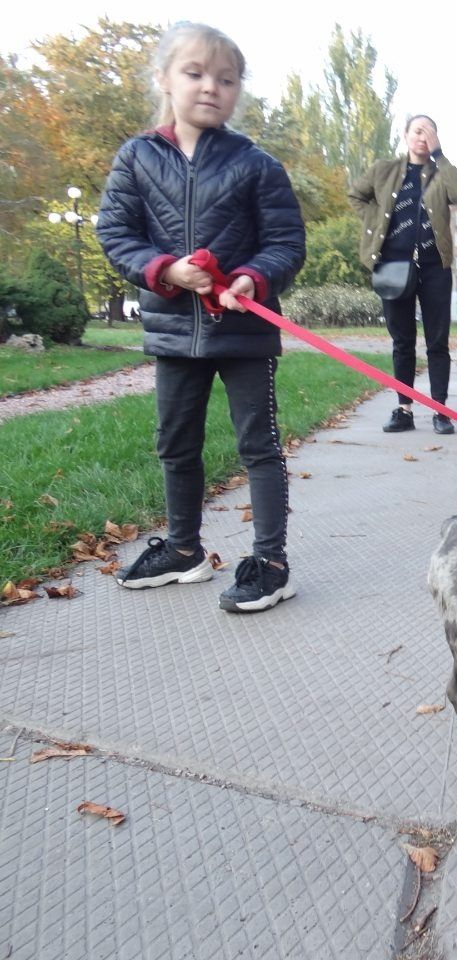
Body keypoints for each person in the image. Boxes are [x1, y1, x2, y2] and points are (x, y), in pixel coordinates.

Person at [96, 22, 306, 613]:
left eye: (227, 78)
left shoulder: (257, 164)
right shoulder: (137, 157)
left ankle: (271, 562)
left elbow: (286, 242)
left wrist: (251, 278)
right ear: (164, 79)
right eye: (194, 73)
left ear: (238, 90)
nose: (210, 87)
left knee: (258, 445)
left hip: (244, 332)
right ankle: (184, 550)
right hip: (171, 331)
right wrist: (163, 269)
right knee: (176, 443)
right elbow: (115, 232)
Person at [349, 115, 457, 434]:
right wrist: (376, 221)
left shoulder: (440, 173)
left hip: (435, 268)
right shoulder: (384, 170)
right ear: (405, 136)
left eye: (430, 132)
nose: (423, 137)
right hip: (393, 266)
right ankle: (404, 410)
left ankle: (440, 411)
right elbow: (356, 196)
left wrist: (440, 154)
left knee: (437, 342)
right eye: (418, 131)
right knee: (402, 341)